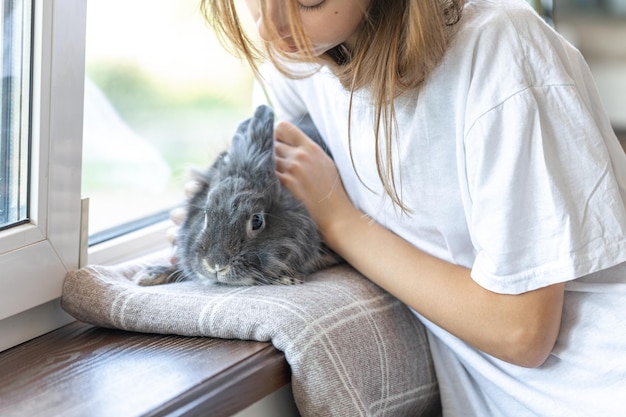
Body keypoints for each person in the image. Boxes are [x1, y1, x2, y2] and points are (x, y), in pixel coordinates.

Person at [186, 0, 626, 415]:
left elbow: (522, 331)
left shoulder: (499, 50)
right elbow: (269, 197)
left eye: (308, 1)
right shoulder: (300, 64)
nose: (269, 28)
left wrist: (341, 221)